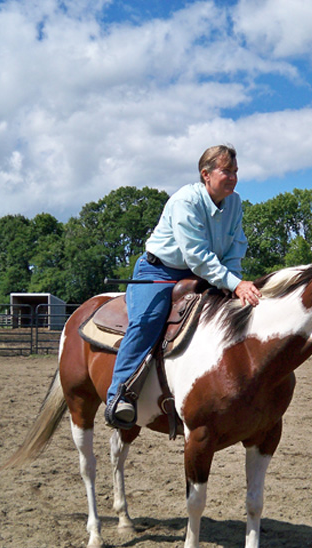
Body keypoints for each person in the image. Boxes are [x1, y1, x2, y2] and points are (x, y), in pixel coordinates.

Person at [104, 144, 262, 429]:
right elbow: (197, 256)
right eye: (226, 171)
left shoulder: (235, 203)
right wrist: (234, 283)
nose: (233, 177)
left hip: (207, 273)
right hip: (160, 270)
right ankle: (120, 394)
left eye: (236, 171)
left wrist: (233, 282)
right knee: (147, 321)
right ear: (206, 174)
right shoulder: (185, 201)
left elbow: (235, 247)